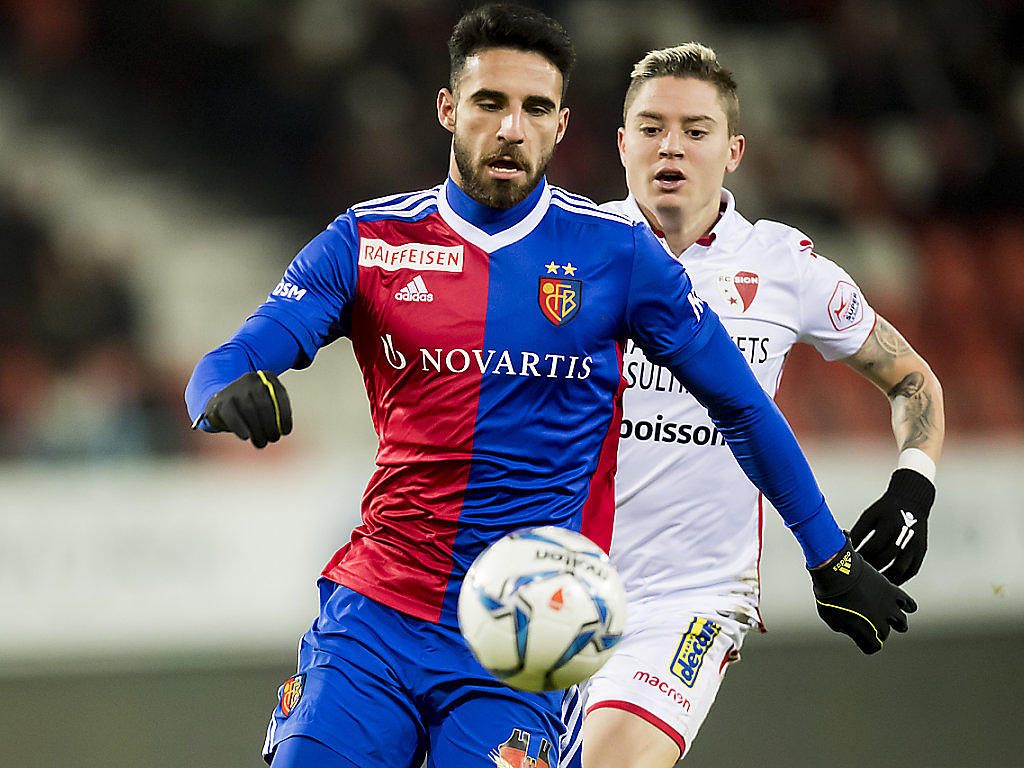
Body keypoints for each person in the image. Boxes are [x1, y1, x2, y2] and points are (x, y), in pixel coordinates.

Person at [185, 8, 915, 768]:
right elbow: (233, 356)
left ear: (562, 126)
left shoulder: (618, 256)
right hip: (376, 614)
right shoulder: (370, 242)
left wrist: (828, 557)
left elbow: (740, 404)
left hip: (523, 639)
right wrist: (223, 391)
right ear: (448, 109)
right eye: (489, 103)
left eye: (534, 109)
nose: (511, 129)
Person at [578, 43, 945, 768]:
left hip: (690, 601)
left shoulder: (785, 267)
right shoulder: (567, 252)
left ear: (734, 149)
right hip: (555, 585)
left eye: (696, 128)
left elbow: (913, 381)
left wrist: (913, 489)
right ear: (622, 144)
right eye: (650, 127)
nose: (671, 146)